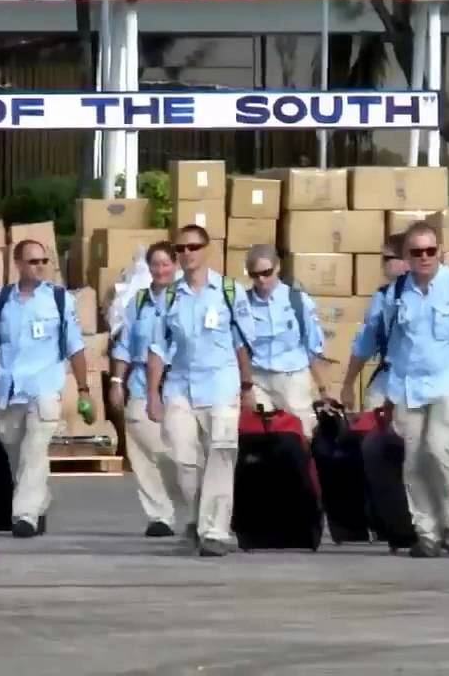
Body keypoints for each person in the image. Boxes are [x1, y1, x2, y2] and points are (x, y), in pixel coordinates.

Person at [344, 221, 449, 558]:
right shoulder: (393, 296)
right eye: (417, 252)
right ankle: (427, 533)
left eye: (431, 251)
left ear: (439, 251)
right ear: (407, 257)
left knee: (439, 449)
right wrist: (347, 384)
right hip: (407, 387)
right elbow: (365, 341)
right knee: (413, 461)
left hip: (448, 384)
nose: (425, 257)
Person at [145, 224, 256, 557]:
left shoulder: (228, 291)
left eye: (193, 247)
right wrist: (152, 394)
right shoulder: (169, 296)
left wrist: (248, 386)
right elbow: (157, 347)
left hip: (221, 384)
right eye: (181, 248)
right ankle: (197, 519)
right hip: (180, 386)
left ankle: (215, 531)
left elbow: (242, 344)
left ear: (206, 250)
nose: (187, 253)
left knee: (221, 454)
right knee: (183, 460)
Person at [0, 239, 92, 539]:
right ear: (18, 264)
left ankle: (24, 516)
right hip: (7, 387)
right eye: (33, 262)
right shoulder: (1, 299)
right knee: (15, 451)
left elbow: (75, 347)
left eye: (44, 261)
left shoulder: (59, 299)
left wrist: (83, 389)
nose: (40, 266)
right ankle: (38, 502)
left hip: (43, 387)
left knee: (34, 450)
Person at [108, 241, 181, 538]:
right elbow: (124, 345)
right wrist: (116, 382)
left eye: (166, 264)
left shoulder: (184, 298)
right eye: (156, 264)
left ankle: (195, 506)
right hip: (139, 381)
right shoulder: (138, 302)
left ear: (175, 266)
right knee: (141, 451)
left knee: (174, 452)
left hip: (176, 383)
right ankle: (159, 515)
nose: (161, 270)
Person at [243, 244, 329, 435]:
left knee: (300, 434)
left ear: (278, 267)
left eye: (266, 272)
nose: (261, 279)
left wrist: (323, 388)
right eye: (254, 275)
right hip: (258, 378)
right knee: (261, 436)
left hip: (292, 378)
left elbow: (312, 346)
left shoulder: (297, 300)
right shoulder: (243, 303)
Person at [340, 232, 408, 412]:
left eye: (387, 258)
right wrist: (348, 384)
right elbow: (365, 342)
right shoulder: (383, 295)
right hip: (389, 378)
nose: (382, 264)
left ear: (406, 260)